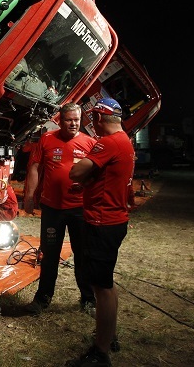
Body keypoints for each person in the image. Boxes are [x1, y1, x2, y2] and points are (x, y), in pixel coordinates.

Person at [66, 97, 135, 367]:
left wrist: (82, 174)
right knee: (106, 283)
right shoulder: (125, 140)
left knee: (101, 287)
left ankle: (101, 353)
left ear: (98, 118)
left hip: (102, 222)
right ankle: (110, 334)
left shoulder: (108, 143)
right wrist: (89, 185)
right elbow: (107, 177)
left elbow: (75, 171)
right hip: (114, 219)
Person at [21, 102, 97, 316]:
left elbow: (97, 176)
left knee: (83, 255)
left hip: (79, 210)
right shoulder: (46, 139)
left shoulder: (90, 143)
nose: (73, 124)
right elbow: (35, 167)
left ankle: (88, 299)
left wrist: (87, 185)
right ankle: (42, 299)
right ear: (60, 120)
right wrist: (28, 195)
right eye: (69, 120)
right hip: (52, 209)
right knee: (50, 254)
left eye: (76, 120)